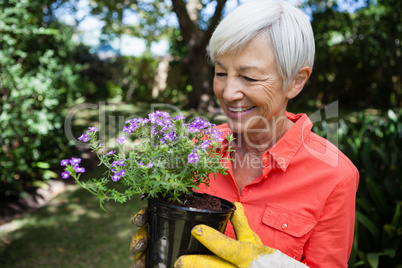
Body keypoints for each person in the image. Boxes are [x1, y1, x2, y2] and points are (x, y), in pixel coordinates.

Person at [131, 0, 359, 267]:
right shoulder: (194, 148)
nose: (228, 93)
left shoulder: (334, 176)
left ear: (295, 81)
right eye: (221, 72)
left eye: (249, 78)